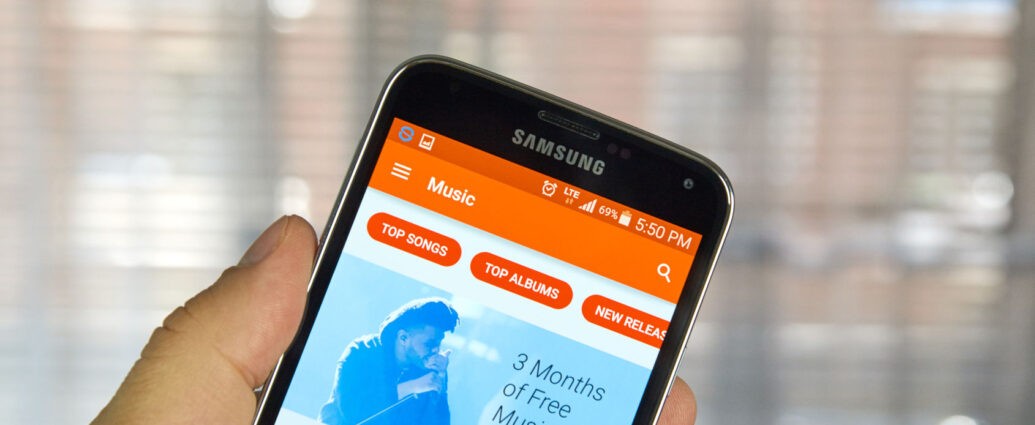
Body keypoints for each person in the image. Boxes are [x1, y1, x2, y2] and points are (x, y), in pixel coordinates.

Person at [90, 216, 697, 425]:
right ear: (402, 333)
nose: (433, 349)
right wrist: (416, 393)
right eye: (427, 340)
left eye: (440, 343)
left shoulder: (430, 375)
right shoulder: (362, 356)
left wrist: (436, 390)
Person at [319, 298, 459, 424]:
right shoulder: (361, 351)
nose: (436, 350)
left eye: (439, 344)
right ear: (403, 338)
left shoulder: (429, 371)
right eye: (429, 344)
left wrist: (440, 382)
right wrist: (411, 387)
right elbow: (353, 413)